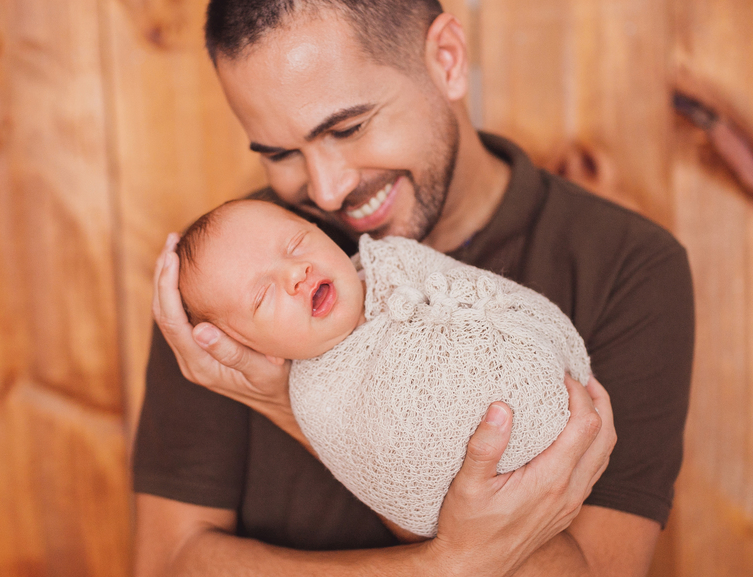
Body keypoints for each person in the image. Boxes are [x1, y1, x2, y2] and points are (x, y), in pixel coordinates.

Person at [133, 0, 694, 577]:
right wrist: (443, 569)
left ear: (448, 59)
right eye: (280, 154)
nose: (324, 190)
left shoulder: (625, 266)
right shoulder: (236, 281)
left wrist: (293, 409)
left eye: (350, 126)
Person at [175, 197, 592, 538]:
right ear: (261, 351)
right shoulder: (317, 398)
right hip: (490, 478)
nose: (295, 274)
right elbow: (395, 482)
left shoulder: (392, 259)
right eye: (263, 296)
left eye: (296, 244)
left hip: (546, 379)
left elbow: (490, 291)